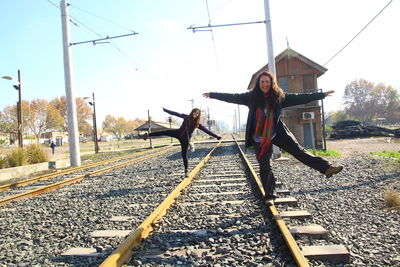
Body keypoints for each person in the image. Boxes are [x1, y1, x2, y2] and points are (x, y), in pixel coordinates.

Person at [203, 71, 343, 206]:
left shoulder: (279, 97)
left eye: (267, 82)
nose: (264, 84)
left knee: (298, 151)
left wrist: (322, 95)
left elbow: (301, 97)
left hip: (277, 132)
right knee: (265, 166)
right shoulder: (251, 97)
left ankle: (326, 168)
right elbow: (231, 97)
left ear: (271, 83)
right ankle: (269, 196)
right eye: (262, 82)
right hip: (259, 138)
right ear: (258, 84)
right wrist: (212, 95)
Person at [140, 108, 222, 177]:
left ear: (198, 115)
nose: (196, 114)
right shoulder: (186, 117)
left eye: (197, 114)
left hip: (185, 139)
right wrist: (166, 111)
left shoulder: (197, 124)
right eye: (195, 112)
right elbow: (176, 113)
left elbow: (207, 130)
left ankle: (186, 171)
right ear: (192, 112)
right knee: (165, 132)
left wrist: (216, 136)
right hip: (178, 133)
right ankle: (147, 135)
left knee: (184, 154)